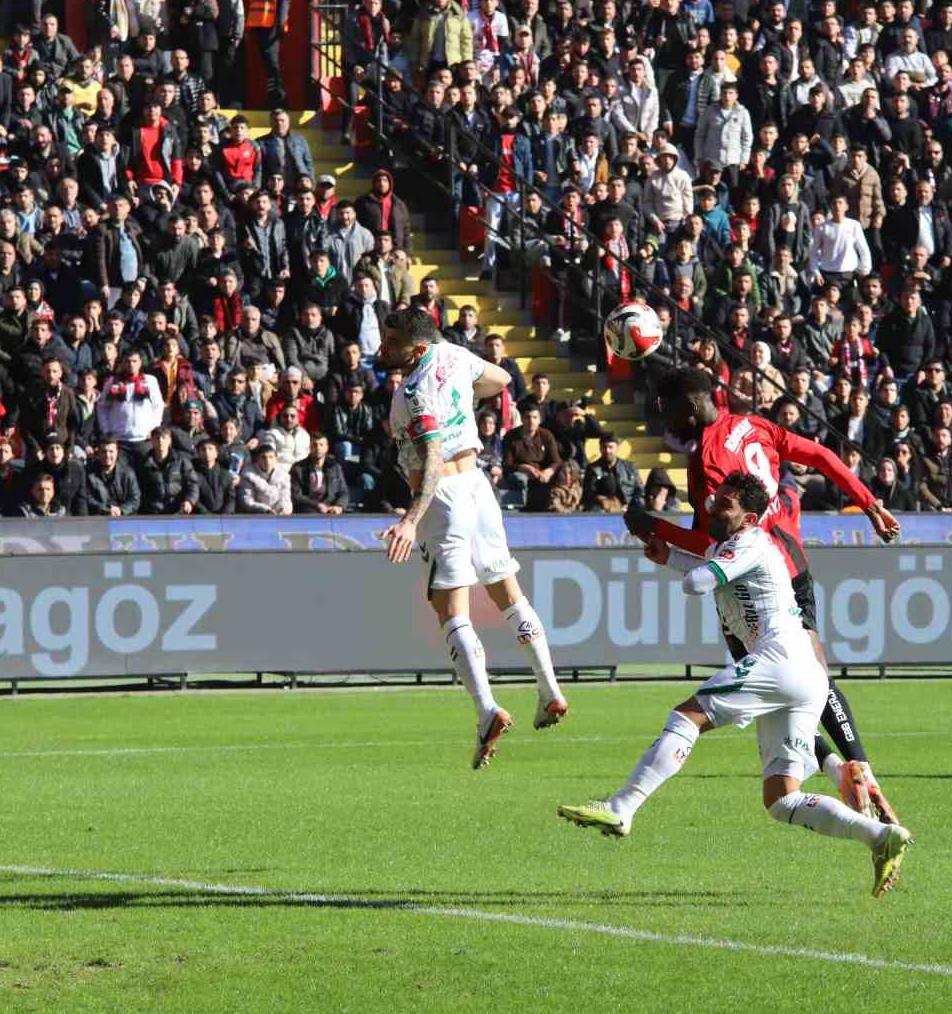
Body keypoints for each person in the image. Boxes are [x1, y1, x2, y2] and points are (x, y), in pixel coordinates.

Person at [558, 472, 914, 898]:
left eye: (724, 503)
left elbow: (699, 582)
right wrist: (667, 556)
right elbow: (706, 565)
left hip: (778, 659)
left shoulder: (752, 542)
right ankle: (879, 836)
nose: (712, 506)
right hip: (804, 672)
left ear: (747, 518)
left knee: (687, 716)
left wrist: (689, 566)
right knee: (783, 801)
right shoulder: (736, 545)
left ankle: (622, 807)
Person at [625, 368, 901, 822]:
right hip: (793, 564)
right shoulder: (755, 425)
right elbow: (821, 455)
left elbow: (713, 543)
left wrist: (655, 527)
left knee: (785, 680)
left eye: (668, 409)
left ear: (691, 407)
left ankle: (850, 771)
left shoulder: (707, 459)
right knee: (800, 681)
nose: (665, 420)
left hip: (750, 584)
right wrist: (868, 502)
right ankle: (849, 768)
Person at [379, 309, 569, 766]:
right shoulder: (455, 355)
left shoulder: (414, 390)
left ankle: (487, 711)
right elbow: (502, 378)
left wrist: (410, 519)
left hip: (443, 496)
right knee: (508, 593)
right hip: (480, 488)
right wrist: (462, 392)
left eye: (392, 343)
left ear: (416, 348)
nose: (384, 350)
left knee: (450, 608)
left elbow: (432, 457)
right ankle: (549, 690)